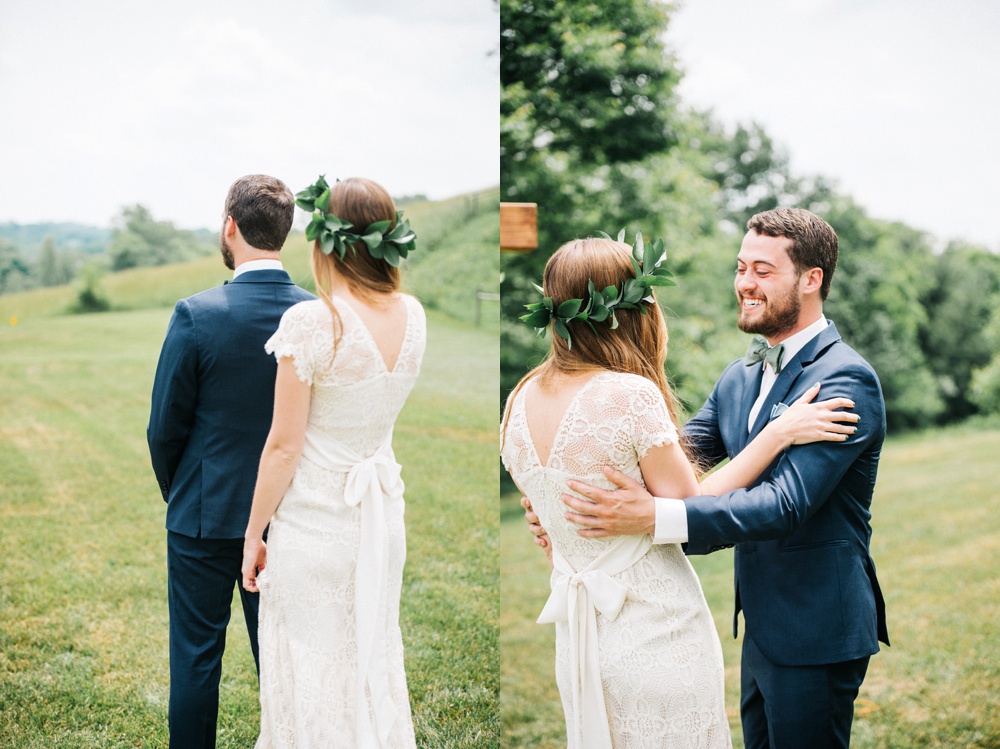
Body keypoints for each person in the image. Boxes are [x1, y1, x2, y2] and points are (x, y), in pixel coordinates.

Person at [526, 209, 889, 749]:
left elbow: (781, 505)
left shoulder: (844, 378)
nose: (744, 283)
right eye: (741, 267)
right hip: (763, 626)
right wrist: (561, 502)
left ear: (811, 280)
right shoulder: (739, 375)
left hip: (817, 626)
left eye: (763, 271)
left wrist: (654, 518)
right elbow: (668, 456)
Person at [240, 175, 425, 748]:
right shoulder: (413, 314)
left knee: (315, 671)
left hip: (317, 526)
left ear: (325, 239)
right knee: (369, 660)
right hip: (380, 520)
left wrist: (253, 534)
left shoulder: (315, 322)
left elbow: (283, 446)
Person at [147, 174, 314, 749]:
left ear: (230, 227)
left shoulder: (197, 313)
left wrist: (185, 491)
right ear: (285, 233)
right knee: (284, 663)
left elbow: (163, 427)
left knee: (195, 660)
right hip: (290, 517)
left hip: (202, 514)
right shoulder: (318, 317)